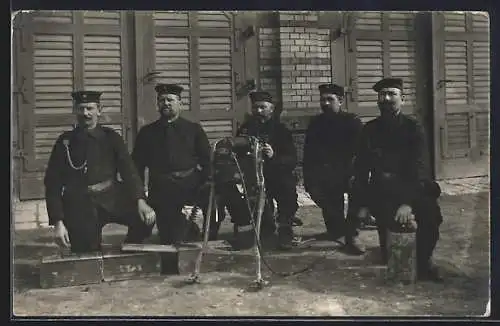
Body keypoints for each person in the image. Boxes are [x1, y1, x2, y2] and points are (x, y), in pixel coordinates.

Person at [351, 77, 444, 282]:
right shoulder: (370, 130)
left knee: (430, 215)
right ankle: (388, 246)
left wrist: (407, 203)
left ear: (402, 99)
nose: (386, 98)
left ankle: (424, 261)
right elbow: (361, 170)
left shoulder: (414, 128)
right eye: (382, 95)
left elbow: (420, 168)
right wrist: (363, 205)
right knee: (390, 254)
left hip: (413, 188)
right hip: (382, 191)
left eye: (392, 94)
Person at [44, 91, 156, 253]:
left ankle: (130, 249)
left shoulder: (111, 138)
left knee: (146, 218)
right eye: (81, 109)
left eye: (90, 108)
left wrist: (140, 200)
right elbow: (52, 183)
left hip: (111, 195)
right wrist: (58, 222)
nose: (85, 113)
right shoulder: (65, 142)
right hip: (80, 203)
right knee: (87, 252)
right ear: (75, 110)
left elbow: (129, 171)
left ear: (99, 110)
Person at [131, 83, 212, 245]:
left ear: (179, 103)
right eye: (162, 100)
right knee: (169, 237)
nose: (166, 103)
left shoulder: (193, 129)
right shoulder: (147, 132)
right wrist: (140, 196)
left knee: (194, 232)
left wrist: (204, 187)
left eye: (170, 100)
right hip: (162, 191)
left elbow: (208, 160)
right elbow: (136, 167)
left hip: (190, 189)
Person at [231, 90, 300, 250]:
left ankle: (285, 230)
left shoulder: (281, 130)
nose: (259, 111)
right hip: (254, 175)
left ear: (272, 109)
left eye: (263, 107)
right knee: (254, 202)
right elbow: (237, 152)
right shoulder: (246, 129)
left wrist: (273, 155)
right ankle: (265, 230)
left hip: (277, 174)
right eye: (255, 108)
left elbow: (291, 159)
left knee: (287, 195)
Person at [303, 83, 365, 255]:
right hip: (326, 172)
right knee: (323, 195)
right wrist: (309, 178)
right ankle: (336, 230)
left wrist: (354, 172)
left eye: (330, 99)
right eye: (323, 100)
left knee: (357, 193)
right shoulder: (316, 123)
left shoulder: (352, 122)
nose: (326, 103)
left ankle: (352, 235)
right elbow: (309, 152)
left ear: (341, 101)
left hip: (349, 171)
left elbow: (361, 152)